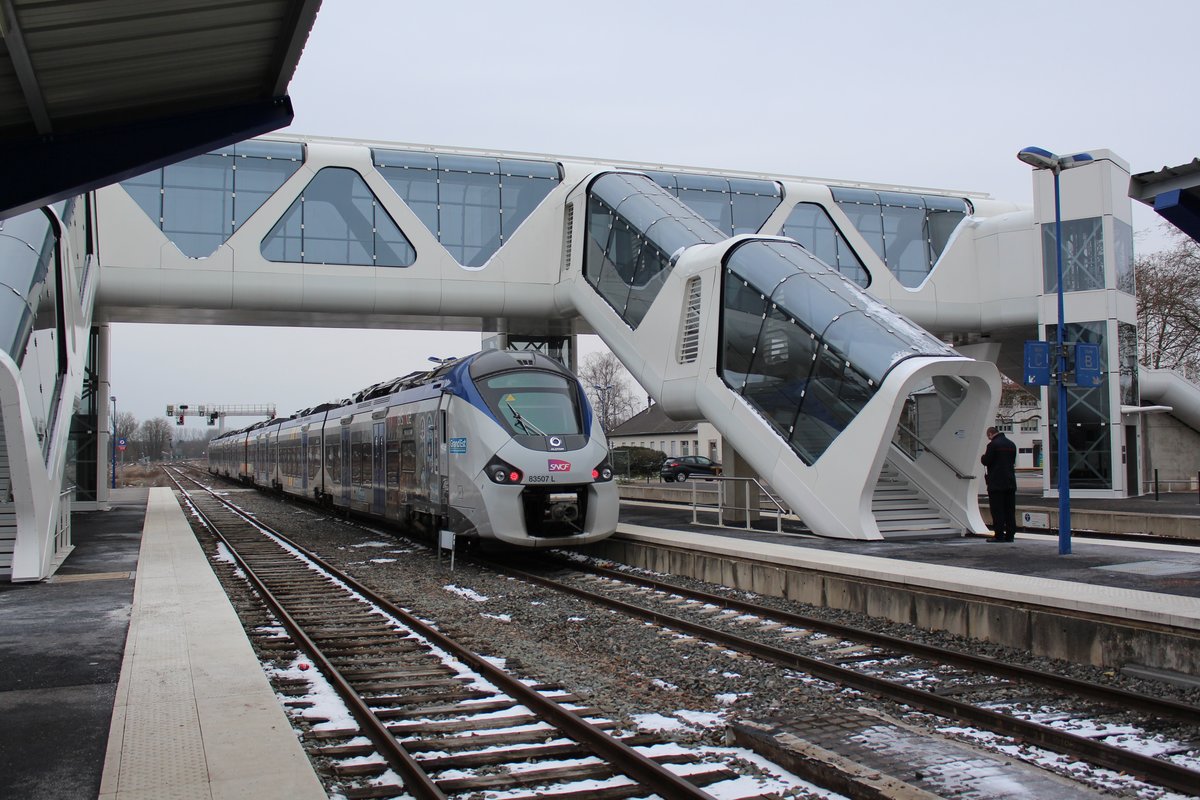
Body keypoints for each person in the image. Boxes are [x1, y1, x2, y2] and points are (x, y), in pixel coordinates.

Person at [980, 426, 1017, 542]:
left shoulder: (993, 445)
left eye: (988, 437)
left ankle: (999, 535)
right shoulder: (1012, 444)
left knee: (997, 510)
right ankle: (1010, 535)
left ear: (991, 434)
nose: (989, 438)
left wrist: (982, 457)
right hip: (1010, 482)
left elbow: (986, 461)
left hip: (996, 483)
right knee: (1010, 510)